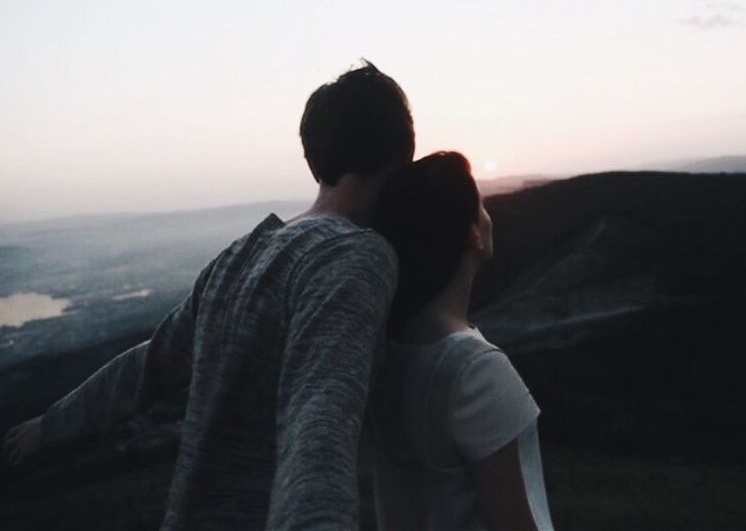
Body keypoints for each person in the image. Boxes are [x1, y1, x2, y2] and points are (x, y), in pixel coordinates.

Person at [2, 61, 414, 531]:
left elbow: (150, 363)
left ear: (314, 161)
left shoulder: (243, 253)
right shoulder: (356, 258)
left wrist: (50, 426)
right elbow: (319, 419)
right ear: (402, 156)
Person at [369, 151, 554, 531]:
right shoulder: (476, 372)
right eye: (482, 207)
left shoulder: (381, 355)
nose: (489, 217)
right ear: (472, 232)